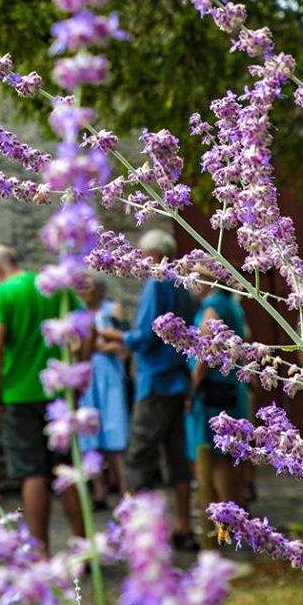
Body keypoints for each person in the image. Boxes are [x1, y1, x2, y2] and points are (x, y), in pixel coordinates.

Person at [0, 243, 87, 557]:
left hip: (20, 396)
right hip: (60, 394)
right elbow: (85, 330)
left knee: (33, 473)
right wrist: (79, 376)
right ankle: (84, 547)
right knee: (66, 469)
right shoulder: (52, 287)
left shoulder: (0, 296)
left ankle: (40, 556)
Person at [123, 229, 200, 549]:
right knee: (176, 455)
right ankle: (183, 525)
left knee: (139, 455)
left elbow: (147, 333)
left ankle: (140, 533)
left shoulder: (157, 283)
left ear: (153, 255)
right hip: (177, 379)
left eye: (142, 256)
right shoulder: (182, 286)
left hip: (155, 379)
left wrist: (120, 339)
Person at [188, 284, 249, 540]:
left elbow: (206, 348)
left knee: (216, 458)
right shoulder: (233, 304)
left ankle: (225, 525)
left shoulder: (212, 307)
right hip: (232, 388)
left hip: (213, 392)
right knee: (230, 456)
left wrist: (193, 384)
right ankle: (235, 518)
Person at [80, 274, 130, 509]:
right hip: (86, 377)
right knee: (89, 432)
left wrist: (103, 345)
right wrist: (100, 345)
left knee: (113, 428)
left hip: (110, 376)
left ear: (100, 290)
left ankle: (123, 489)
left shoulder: (113, 310)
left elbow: (125, 344)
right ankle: (98, 490)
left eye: (88, 285)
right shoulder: (76, 313)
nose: (83, 290)